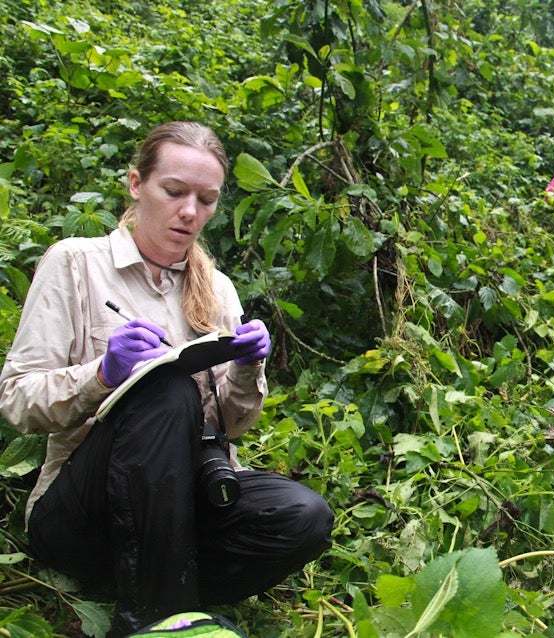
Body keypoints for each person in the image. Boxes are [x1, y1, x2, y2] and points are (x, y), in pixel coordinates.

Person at [0, 121, 334, 636]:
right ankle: (156, 616)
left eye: (206, 199)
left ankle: (154, 582)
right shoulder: (76, 263)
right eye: (174, 192)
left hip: (188, 505)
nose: (189, 212)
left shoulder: (217, 288)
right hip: (82, 515)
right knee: (166, 385)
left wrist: (248, 367)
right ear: (137, 184)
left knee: (304, 516)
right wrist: (103, 373)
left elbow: (236, 428)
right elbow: (16, 402)